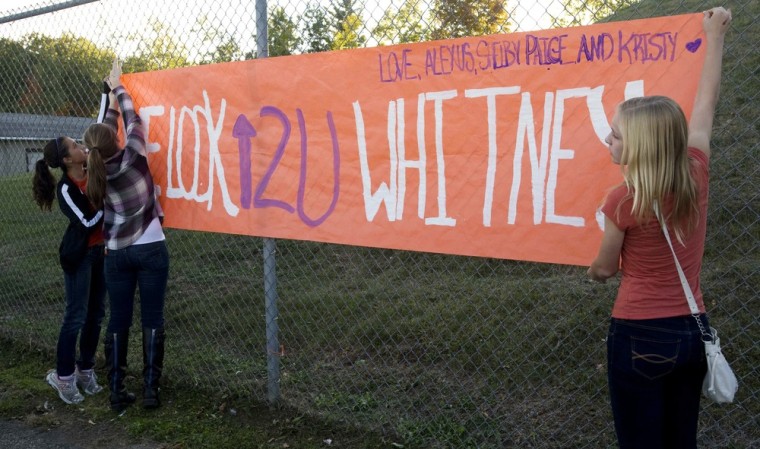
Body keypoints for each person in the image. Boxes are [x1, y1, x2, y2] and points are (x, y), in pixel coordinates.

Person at [587, 7, 731, 449]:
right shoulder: (696, 174)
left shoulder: (622, 201)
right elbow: (706, 102)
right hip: (692, 329)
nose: (608, 140)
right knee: (679, 438)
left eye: (615, 135)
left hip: (639, 335)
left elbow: (606, 269)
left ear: (639, 146)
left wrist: (591, 270)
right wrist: (716, 35)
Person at [85, 58, 169, 412]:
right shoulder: (133, 154)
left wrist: (106, 97)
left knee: (118, 320)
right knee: (152, 317)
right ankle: (151, 390)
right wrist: (117, 86)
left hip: (116, 253)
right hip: (150, 246)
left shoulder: (95, 172)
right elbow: (131, 116)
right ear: (114, 141)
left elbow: (106, 130)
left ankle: (116, 390)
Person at [32, 135, 106, 405]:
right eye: (75, 146)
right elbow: (86, 222)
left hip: (101, 253)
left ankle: (85, 370)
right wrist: (107, 207)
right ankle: (63, 377)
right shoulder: (66, 188)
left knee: (96, 314)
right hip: (80, 257)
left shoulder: (94, 170)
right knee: (76, 315)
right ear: (66, 160)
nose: (81, 146)